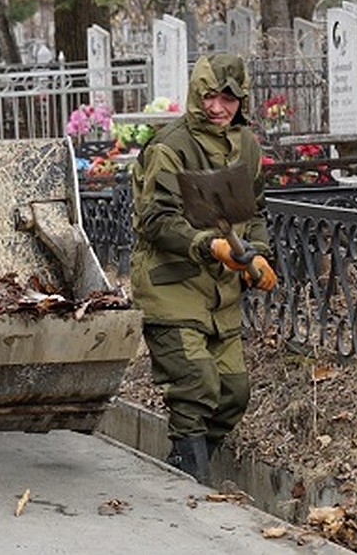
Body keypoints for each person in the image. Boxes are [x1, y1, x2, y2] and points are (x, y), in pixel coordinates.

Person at [129, 53, 279, 486]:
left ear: (242, 100)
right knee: (197, 382)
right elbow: (154, 221)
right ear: (196, 94)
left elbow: (257, 211)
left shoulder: (246, 146)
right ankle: (192, 479)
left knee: (233, 393)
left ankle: (184, 465)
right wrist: (209, 245)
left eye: (229, 99)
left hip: (221, 293)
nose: (218, 107)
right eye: (210, 96)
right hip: (170, 287)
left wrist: (260, 256)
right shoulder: (170, 147)